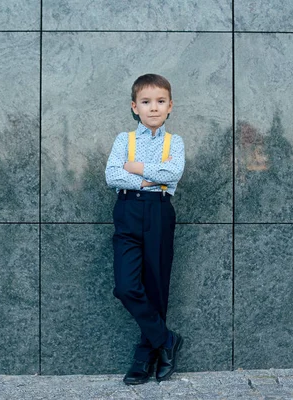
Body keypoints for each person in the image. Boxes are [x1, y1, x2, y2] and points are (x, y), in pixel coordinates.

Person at [105, 73, 185, 385]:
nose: (154, 107)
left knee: (156, 284)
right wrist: (151, 178)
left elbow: (173, 172)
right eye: (146, 102)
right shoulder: (123, 140)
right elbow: (112, 175)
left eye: (160, 101)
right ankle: (165, 339)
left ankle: (145, 353)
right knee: (125, 286)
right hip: (127, 210)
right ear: (135, 107)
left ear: (170, 107)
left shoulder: (173, 142)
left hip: (159, 211)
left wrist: (135, 168)